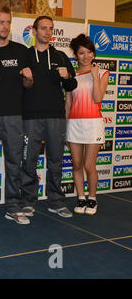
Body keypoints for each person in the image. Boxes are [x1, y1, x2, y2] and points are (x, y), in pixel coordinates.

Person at [0, 6, 33, 225]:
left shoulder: (22, 51)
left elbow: (28, 85)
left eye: (8, 22)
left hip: (14, 116)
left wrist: (29, 79)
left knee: (13, 162)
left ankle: (12, 206)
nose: (5, 26)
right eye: (1, 22)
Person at [21, 16, 78, 218]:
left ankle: (56, 201)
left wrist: (67, 76)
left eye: (50, 28)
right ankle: (28, 201)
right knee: (29, 160)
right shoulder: (24, 55)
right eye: (43, 28)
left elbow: (72, 86)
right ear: (34, 30)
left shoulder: (61, 56)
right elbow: (18, 86)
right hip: (30, 117)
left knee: (56, 160)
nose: (47, 32)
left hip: (55, 116)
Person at [66, 34, 109, 215]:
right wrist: (65, 125)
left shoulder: (101, 73)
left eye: (89, 52)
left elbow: (98, 98)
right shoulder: (72, 76)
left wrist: (94, 77)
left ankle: (92, 199)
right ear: (76, 55)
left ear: (93, 53)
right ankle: (81, 197)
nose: (86, 56)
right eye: (82, 53)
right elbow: (68, 103)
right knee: (76, 163)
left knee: (89, 165)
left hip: (93, 124)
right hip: (74, 123)